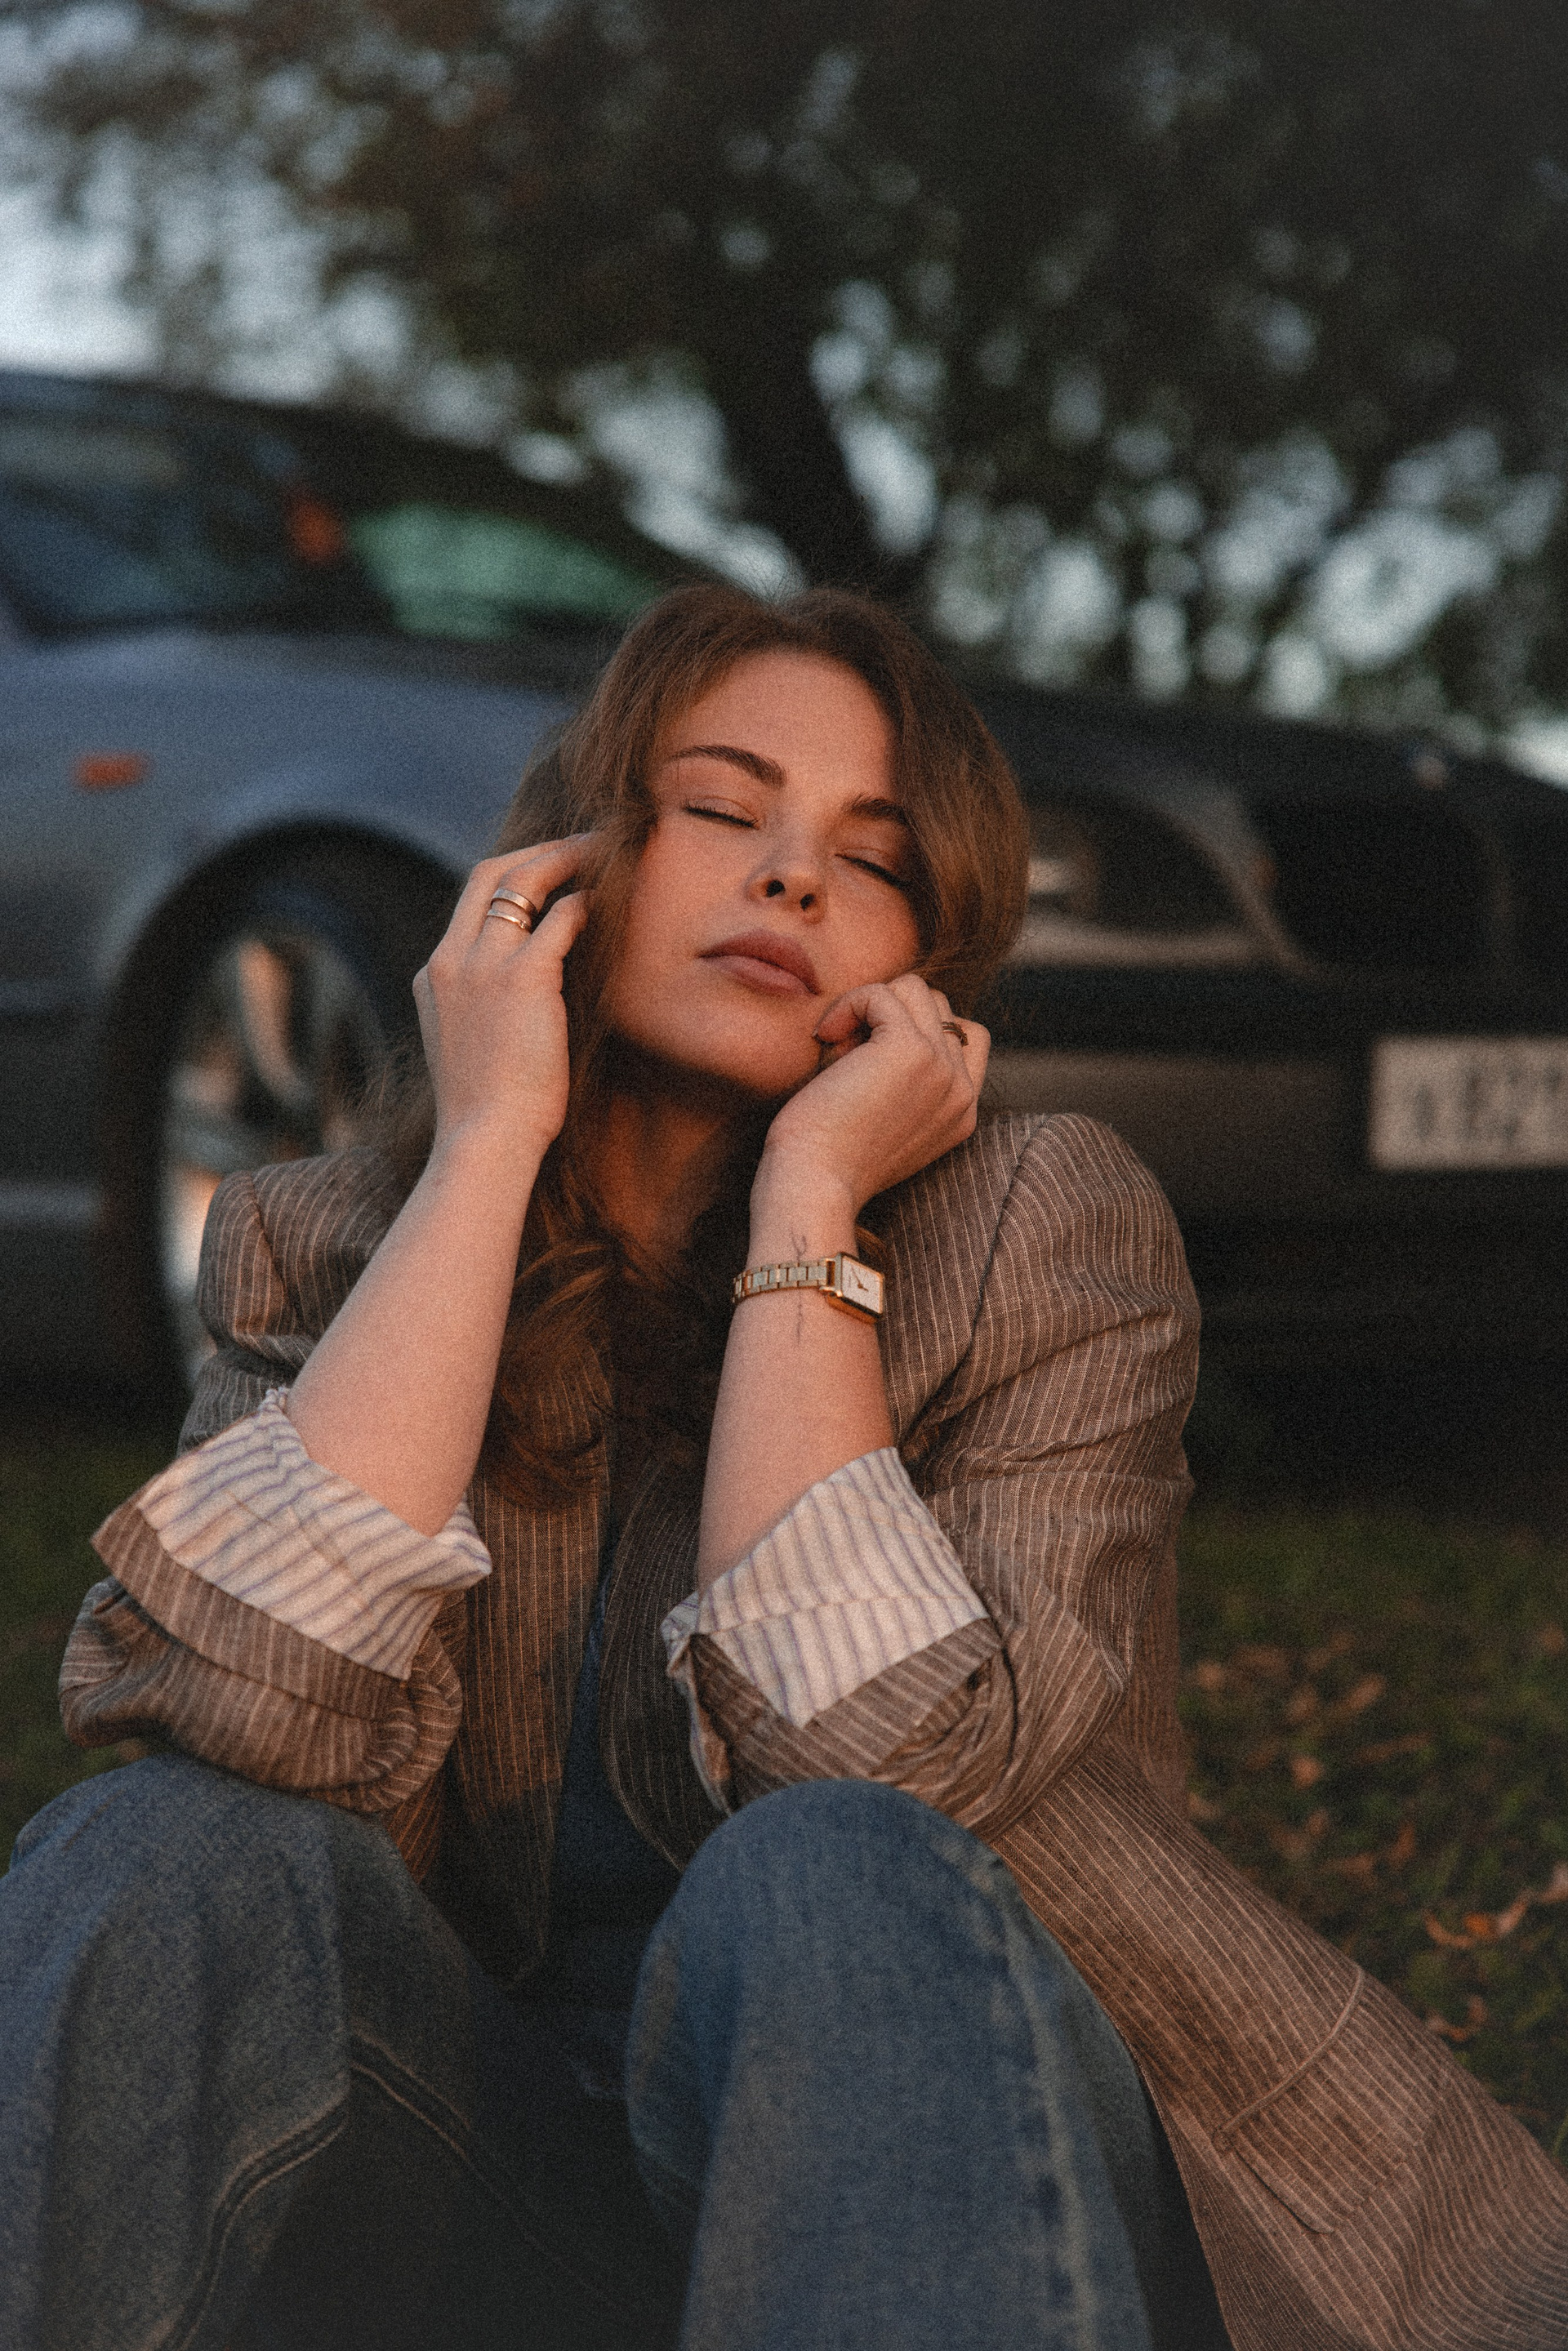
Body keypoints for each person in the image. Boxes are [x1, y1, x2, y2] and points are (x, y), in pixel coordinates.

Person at [1, 585, 1564, 2351]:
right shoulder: (318, 1245)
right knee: (165, 1842)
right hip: (502, 2191)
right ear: (569, 862)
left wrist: (809, 1210)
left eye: (871, 859)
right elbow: (237, 1708)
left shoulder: (1040, 1228)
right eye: (721, 808)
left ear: (927, 966)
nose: (795, 878)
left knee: (825, 1869)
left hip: (960, 2157)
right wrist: (490, 1144)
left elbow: (886, 1772)